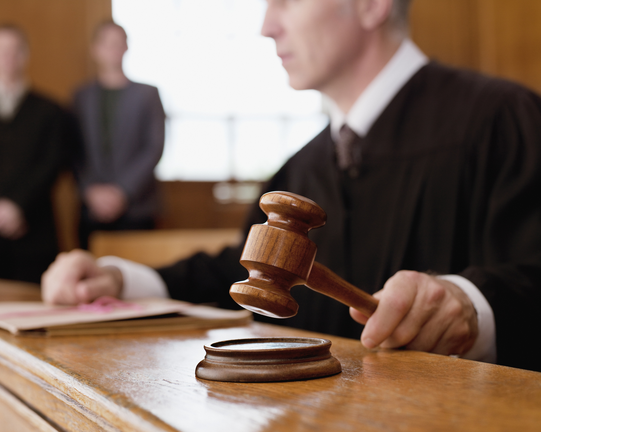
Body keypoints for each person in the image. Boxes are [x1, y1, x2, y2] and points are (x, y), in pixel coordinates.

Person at [42, 0, 541, 372]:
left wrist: (473, 305)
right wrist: (119, 282)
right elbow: (246, 273)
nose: (266, 25)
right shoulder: (301, 167)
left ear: (371, 4)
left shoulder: (504, 121)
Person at [0, 24, 67, 284]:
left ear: (26, 55)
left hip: (35, 232)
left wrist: (17, 204)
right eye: (0, 51)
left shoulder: (50, 111)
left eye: (15, 51)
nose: (7, 58)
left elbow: (52, 163)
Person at [73, 21, 166, 250]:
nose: (112, 49)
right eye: (107, 43)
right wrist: (91, 190)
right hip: (91, 207)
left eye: (118, 43)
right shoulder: (81, 97)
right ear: (95, 49)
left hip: (137, 207)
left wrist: (122, 191)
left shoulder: (147, 94)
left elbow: (154, 147)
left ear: (126, 47)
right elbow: (73, 150)